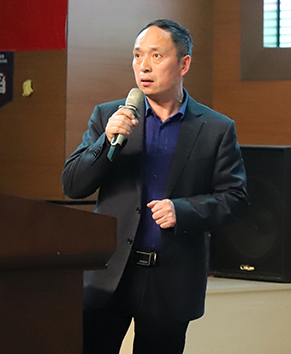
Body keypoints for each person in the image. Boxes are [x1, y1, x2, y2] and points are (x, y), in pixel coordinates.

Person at [62, 19, 248, 354]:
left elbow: (235, 199)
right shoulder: (109, 116)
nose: (143, 66)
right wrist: (106, 141)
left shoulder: (215, 128)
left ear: (184, 64)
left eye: (156, 56)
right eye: (137, 56)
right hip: (109, 276)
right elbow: (73, 185)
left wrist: (183, 210)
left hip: (170, 280)